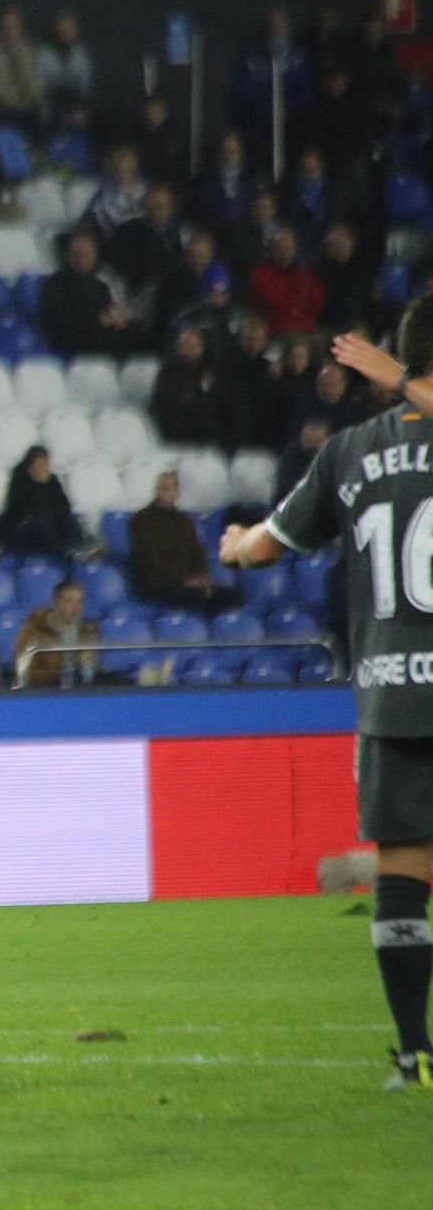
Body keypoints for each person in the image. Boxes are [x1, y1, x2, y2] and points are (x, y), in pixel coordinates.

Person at [224, 308, 433, 1093]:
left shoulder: (351, 450)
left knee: (404, 872)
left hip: (391, 695)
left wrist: (239, 543)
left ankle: (413, 1058)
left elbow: (268, 544)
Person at [128, 471, 238, 612]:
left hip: (185, 582)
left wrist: (202, 578)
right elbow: (150, 559)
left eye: (166, 489)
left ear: (176, 493)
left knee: (234, 595)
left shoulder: (184, 521)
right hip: (155, 582)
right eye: (159, 488)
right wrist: (183, 580)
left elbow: (197, 551)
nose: (161, 493)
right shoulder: (141, 520)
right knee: (196, 595)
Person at [0, 445, 82, 558]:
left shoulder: (52, 480)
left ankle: (77, 550)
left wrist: (46, 485)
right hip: (22, 528)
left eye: (46, 464)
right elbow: (26, 510)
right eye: (40, 464)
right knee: (41, 521)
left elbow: (64, 506)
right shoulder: (19, 482)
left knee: (70, 519)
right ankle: (59, 554)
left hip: (50, 522)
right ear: (31, 466)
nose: (44, 468)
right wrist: (41, 485)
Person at [12, 579, 100, 688]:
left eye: (79, 602)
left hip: (80, 691)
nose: (76, 607)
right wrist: (62, 672)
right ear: (56, 602)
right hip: (42, 692)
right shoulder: (34, 629)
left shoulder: (87, 631)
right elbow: (25, 673)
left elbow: (93, 668)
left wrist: (89, 666)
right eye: (69, 601)